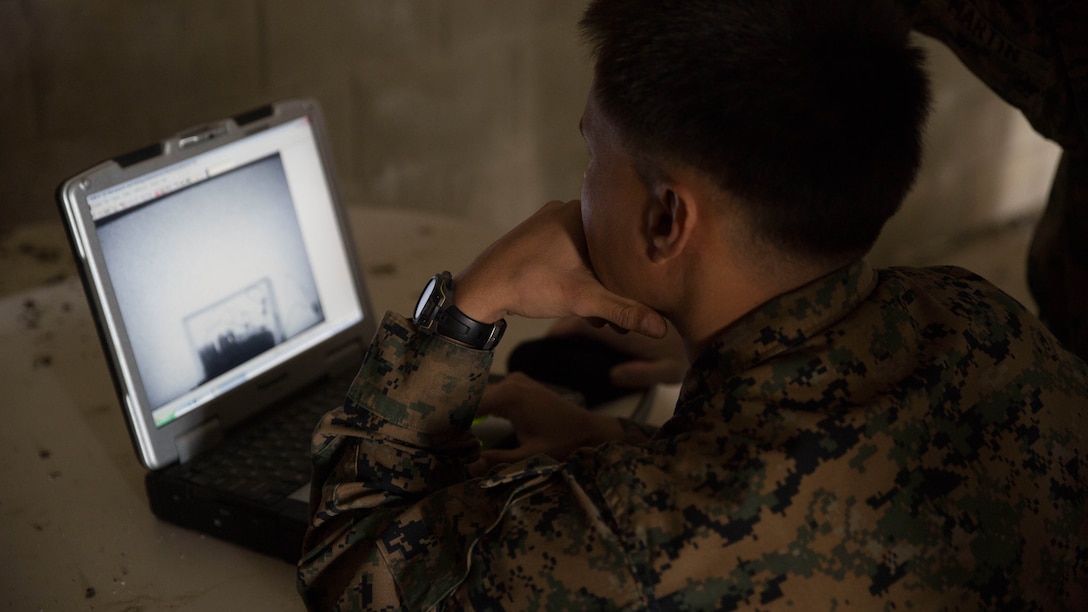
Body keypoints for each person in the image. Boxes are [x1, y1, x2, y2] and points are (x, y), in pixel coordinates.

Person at [297, 0, 1088, 609]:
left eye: (591, 152)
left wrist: (474, 300)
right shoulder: (987, 323)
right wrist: (620, 449)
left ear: (667, 219)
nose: (575, 189)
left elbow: (350, 562)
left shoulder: (634, 545)